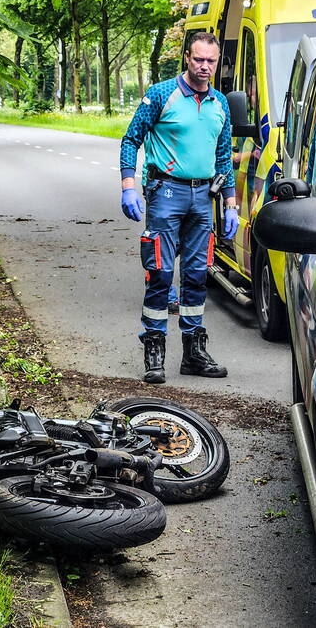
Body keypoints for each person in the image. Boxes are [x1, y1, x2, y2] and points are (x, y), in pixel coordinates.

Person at [119, 32, 239, 384]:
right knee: (159, 273)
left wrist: (230, 203)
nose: (204, 67)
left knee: (197, 275)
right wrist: (129, 186)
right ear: (187, 57)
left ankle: (194, 352)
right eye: (199, 59)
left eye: (211, 61)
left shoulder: (220, 104)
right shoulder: (160, 95)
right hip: (165, 194)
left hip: (203, 197)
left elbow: (222, 156)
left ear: (217, 63)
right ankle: (154, 351)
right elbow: (131, 139)